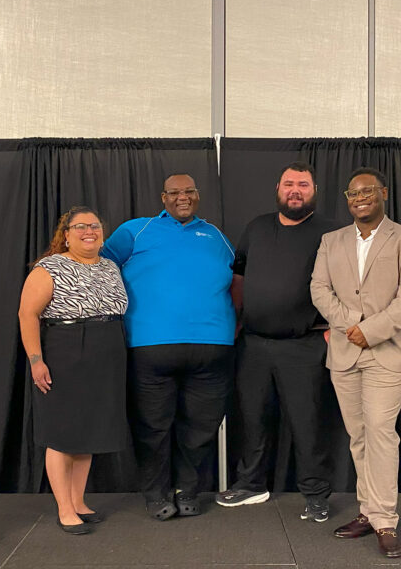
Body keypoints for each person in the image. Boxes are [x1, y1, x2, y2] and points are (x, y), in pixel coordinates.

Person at [101, 173, 236, 521]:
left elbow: (237, 278)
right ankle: (157, 493)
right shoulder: (135, 230)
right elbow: (99, 267)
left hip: (213, 346)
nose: (183, 197)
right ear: (163, 198)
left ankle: (188, 490)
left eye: (189, 191)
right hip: (150, 346)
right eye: (175, 192)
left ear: (198, 195)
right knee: (153, 426)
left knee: (202, 426)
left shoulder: (216, 236)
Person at [310, 167, 401, 558]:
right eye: (353, 193)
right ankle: (369, 512)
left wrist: (370, 330)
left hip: (388, 353)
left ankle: (386, 520)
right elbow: (319, 289)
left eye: (368, 191)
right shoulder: (331, 240)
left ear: (383, 193)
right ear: (347, 199)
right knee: (359, 435)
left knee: (379, 430)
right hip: (344, 351)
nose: (360, 197)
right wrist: (349, 326)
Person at [216, 161, 340, 522]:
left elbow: (349, 280)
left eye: (303, 184)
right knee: (252, 418)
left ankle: (316, 494)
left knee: (308, 422)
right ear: (278, 188)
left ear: (313, 190)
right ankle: (252, 485)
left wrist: (335, 325)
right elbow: (238, 277)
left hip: (304, 344)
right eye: (289, 184)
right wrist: (237, 322)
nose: (295, 190)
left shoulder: (330, 233)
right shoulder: (256, 227)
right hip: (254, 343)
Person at [17, 206, 129, 536]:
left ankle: (79, 502)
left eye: (94, 225)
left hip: (106, 351)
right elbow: (27, 315)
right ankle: (64, 509)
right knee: (63, 434)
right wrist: (36, 360)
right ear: (66, 234)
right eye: (79, 227)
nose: (88, 231)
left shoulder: (110, 266)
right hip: (66, 349)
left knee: (87, 435)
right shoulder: (49, 267)